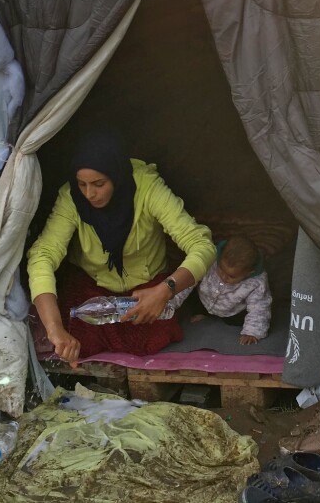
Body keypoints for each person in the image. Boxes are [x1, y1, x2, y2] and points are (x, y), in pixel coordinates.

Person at [26, 129, 215, 366]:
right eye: (81, 184)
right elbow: (42, 255)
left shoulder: (148, 188)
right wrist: (54, 329)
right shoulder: (71, 197)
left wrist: (164, 290)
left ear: (116, 175)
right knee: (70, 332)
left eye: (98, 184)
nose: (89, 194)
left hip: (145, 289)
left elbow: (202, 244)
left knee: (150, 337)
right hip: (91, 286)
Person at [183, 236, 272, 346]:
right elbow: (188, 278)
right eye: (221, 269)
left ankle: (246, 325)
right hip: (205, 298)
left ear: (248, 273)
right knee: (193, 298)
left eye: (231, 276)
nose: (223, 277)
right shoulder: (211, 257)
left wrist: (252, 332)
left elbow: (259, 307)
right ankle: (201, 312)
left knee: (239, 320)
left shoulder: (257, 282)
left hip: (232, 311)